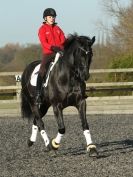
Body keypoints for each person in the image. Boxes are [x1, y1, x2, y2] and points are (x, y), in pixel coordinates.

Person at [35, 8, 66, 105]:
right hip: (49, 53)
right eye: (50, 17)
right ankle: (38, 94)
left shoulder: (58, 29)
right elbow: (44, 43)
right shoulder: (42, 29)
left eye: (53, 17)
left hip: (60, 52)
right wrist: (53, 48)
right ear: (45, 18)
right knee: (42, 70)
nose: (52, 18)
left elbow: (63, 40)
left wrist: (61, 48)